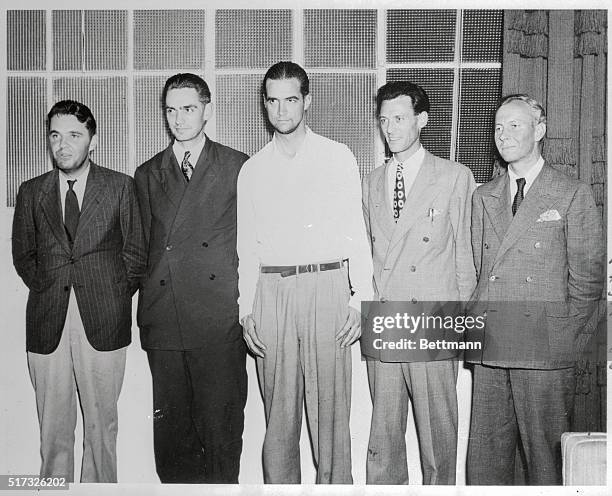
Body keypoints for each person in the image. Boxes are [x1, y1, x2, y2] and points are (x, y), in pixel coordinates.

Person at [237, 61, 373, 484]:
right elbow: (247, 247)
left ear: (307, 100)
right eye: (273, 101)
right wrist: (246, 310)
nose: (281, 110)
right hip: (272, 292)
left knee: (330, 414)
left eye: (290, 99)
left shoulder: (337, 157)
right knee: (279, 417)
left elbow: (356, 234)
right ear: (265, 106)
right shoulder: (253, 169)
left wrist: (358, 299)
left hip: (327, 287)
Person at [466, 94, 605, 485]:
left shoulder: (571, 193)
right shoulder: (483, 196)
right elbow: (479, 272)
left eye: (514, 125)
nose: (503, 135)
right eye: (498, 127)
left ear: (539, 130)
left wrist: (560, 340)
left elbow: (588, 281)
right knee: (486, 462)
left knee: (545, 461)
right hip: (492, 346)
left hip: (544, 350)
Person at [12, 100, 146, 482]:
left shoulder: (120, 187)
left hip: (103, 320)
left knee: (101, 430)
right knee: (52, 432)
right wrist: (47, 286)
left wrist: (114, 295)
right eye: (55, 136)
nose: (63, 145)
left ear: (94, 140)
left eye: (74, 135)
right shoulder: (31, 191)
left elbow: (136, 254)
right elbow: (24, 254)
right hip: (47, 319)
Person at [134, 73, 249, 483]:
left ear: (207, 110)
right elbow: (140, 249)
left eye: (188, 109)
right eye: (171, 110)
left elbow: (251, 246)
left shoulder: (237, 166)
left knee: (220, 430)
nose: (179, 119)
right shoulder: (147, 173)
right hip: (165, 320)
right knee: (172, 437)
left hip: (217, 320)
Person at [361, 81, 476, 484]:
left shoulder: (454, 176)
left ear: (422, 120)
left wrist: (463, 333)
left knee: (437, 445)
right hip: (387, 320)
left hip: (434, 321)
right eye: (384, 119)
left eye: (399, 118)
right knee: (383, 445)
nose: (390, 128)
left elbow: (465, 257)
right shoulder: (372, 182)